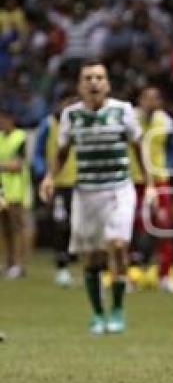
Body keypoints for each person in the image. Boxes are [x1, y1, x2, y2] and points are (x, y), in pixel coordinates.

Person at [39, 60, 154, 335]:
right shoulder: (71, 116)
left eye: (99, 77)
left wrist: (149, 183)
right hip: (86, 191)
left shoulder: (123, 111)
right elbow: (63, 151)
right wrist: (49, 177)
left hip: (118, 188)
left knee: (117, 245)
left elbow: (139, 147)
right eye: (88, 78)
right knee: (92, 258)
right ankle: (98, 313)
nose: (94, 82)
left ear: (107, 84)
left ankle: (117, 310)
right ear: (80, 85)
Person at [129, 84, 173, 291]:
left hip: (159, 181)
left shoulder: (166, 122)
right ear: (140, 100)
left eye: (155, 98)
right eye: (146, 98)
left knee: (164, 226)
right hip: (134, 181)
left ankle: (164, 275)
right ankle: (129, 275)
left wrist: (168, 167)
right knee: (131, 228)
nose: (150, 102)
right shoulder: (129, 119)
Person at [32, 88, 79, 287]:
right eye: (67, 102)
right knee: (61, 223)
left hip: (81, 183)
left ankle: (88, 267)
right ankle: (62, 267)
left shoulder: (81, 124)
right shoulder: (49, 124)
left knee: (83, 227)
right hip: (59, 184)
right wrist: (44, 172)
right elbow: (37, 153)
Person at [0, 106, 30, 279]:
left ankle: (20, 264)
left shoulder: (20, 138)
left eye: (3, 119)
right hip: (2, 190)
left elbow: (17, 165)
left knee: (18, 229)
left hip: (16, 191)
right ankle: (8, 263)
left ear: (11, 119)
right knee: (5, 230)